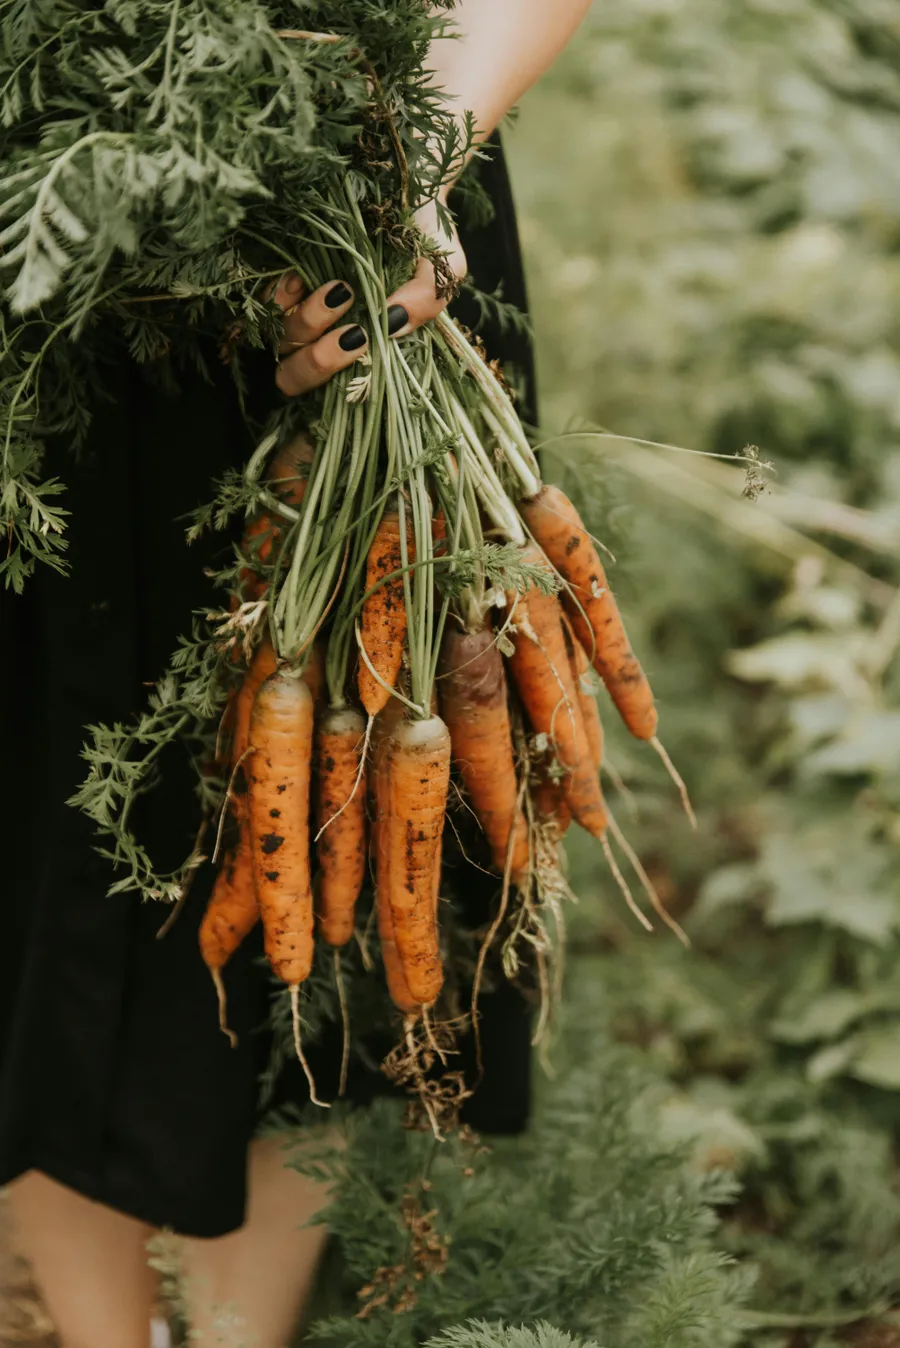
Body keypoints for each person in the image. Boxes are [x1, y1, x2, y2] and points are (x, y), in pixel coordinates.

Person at [0, 4, 593, 1346]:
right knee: (39, 836)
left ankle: (234, 1337)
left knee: (342, 884)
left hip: (379, 218)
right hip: (48, 212)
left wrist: (418, 150)